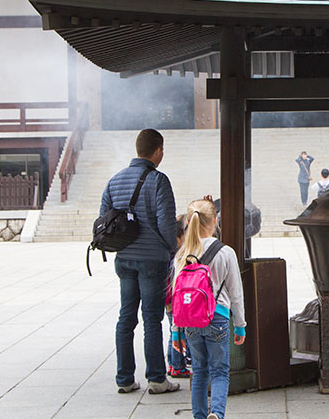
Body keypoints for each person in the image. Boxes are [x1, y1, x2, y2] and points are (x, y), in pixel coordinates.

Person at [100, 129, 179, 394]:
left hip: (124, 259)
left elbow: (104, 220)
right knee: (152, 319)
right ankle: (157, 379)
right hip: (152, 260)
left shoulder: (114, 181)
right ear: (158, 150)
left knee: (126, 317)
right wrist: (171, 249)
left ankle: (124, 379)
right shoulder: (158, 180)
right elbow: (166, 223)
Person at [171, 198, 246, 419]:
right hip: (218, 318)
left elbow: (178, 295)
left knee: (199, 371)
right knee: (220, 371)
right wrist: (240, 325)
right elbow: (236, 293)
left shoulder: (183, 254)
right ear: (215, 220)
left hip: (191, 322)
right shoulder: (226, 252)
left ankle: (200, 416)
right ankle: (217, 413)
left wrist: (176, 330)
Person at [166, 214, 191, 378]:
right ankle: (176, 364)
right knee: (176, 332)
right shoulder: (178, 256)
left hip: (171, 300)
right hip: (174, 301)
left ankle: (176, 363)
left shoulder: (172, 254)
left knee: (176, 331)